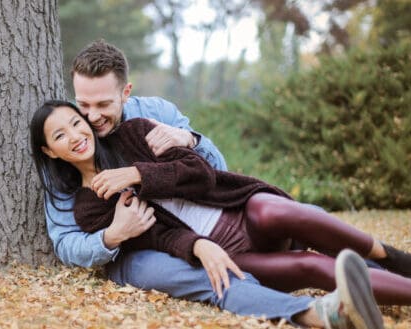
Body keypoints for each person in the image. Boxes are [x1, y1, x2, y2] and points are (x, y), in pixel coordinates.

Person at [31, 99, 411, 314]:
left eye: (75, 121)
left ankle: (396, 258)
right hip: (228, 250)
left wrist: (139, 174)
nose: (75, 134)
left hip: (237, 208)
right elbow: (156, 237)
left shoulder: (135, 132)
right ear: (51, 152)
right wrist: (198, 246)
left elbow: (200, 173)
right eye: (60, 135)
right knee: (307, 268)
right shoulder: (89, 209)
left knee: (279, 211)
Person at [43, 39, 255, 316]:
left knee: (284, 216)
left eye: (104, 104)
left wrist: (190, 140)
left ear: (125, 93)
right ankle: (265, 297)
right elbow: (64, 241)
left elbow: (216, 171)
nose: (91, 117)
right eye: (83, 104)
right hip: (134, 250)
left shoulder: (155, 114)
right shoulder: (68, 133)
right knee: (200, 273)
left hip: (200, 220)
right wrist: (112, 236)